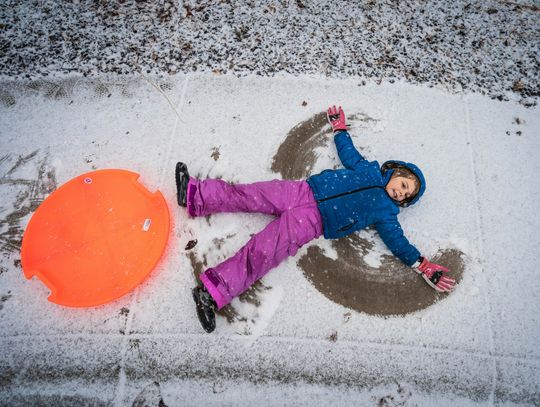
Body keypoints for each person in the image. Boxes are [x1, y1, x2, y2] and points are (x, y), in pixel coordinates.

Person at [176, 106, 455, 333]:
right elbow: (350, 153)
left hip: (312, 222)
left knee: (262, 252)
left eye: (405, 193)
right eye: (402, 182)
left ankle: (212, 295)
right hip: (302, 191)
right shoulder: (368, 169)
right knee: (250, 193)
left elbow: (398, 243)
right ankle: (195, 195)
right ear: (394, 171)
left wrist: (423, 265)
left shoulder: (386, 213)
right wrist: (340, 129)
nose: (400, 189)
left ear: (403, 202)